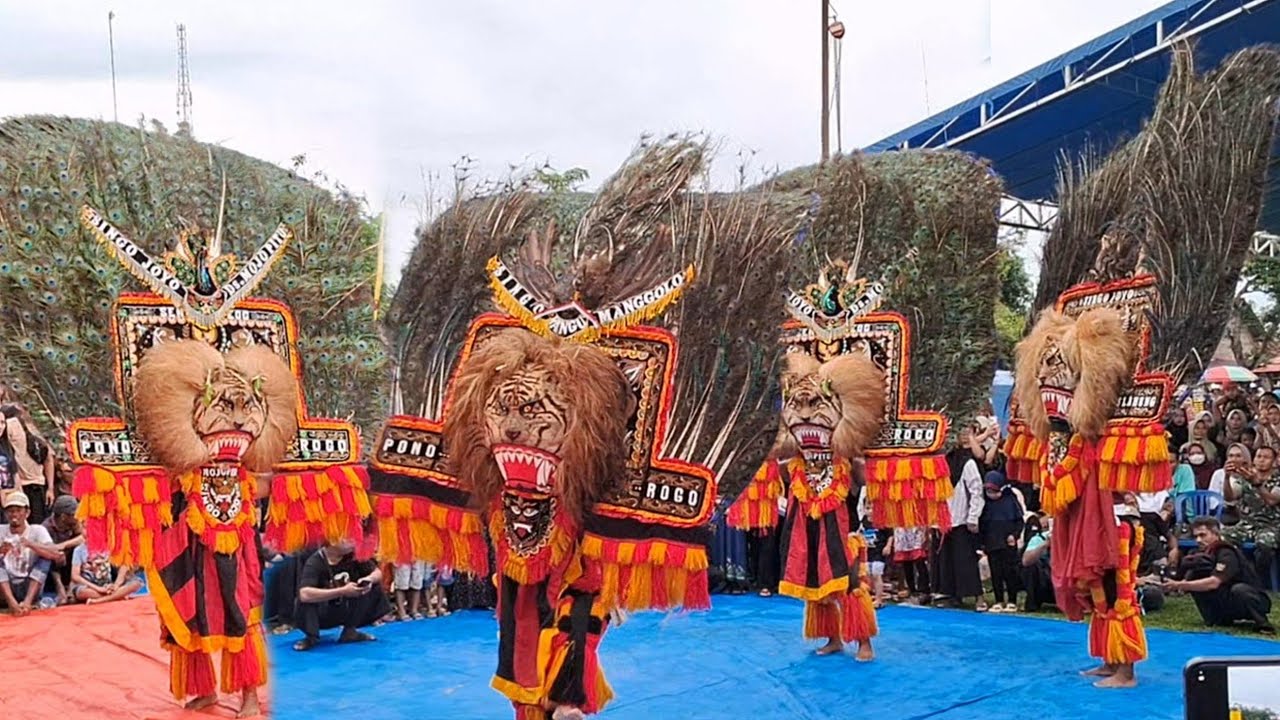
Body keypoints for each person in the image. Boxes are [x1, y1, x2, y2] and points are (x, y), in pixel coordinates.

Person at [1165, 517, 1274, 634]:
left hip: (1250, 597)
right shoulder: (1199, 554)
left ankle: (1262, 623)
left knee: (1239, 589)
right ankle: (1216, 618)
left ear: (1215, 534)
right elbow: (1185, 578)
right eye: (1195, 536)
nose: (1198, 540)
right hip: (1225, 596)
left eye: (1203, 535)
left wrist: (1180, 585)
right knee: (1196, 579)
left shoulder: (1226, 552)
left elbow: (1214, 582)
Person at [294, 539, 390, 650]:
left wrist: (369, 579)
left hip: (344, 607)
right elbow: (304, 594)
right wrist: (342, 591)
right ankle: (311, 637)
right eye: (347, 539)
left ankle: (350, 632)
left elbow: (377, 573)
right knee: (304, 600)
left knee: (373, 586)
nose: (353, 541)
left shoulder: (353, 555)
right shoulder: (315, 562)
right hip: (323, 611)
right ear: (333, 542)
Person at [933, 432, 985, 608]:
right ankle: (951, 595)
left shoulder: (967, 463)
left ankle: (979, 597)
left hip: (961, 519)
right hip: (941, 521)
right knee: (945, 561)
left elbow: (976, 490)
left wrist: (973, 517)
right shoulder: (936, 463)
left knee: (966, 561)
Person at [1223, 446, 1280, 587]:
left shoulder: (1277, 479)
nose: (1261, 460)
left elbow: (1272, 500)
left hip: (1271, 525)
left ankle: (1261, 581)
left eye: (1266, 457)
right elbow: (1230, 497)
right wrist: (1226, 477)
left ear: (1274, 462)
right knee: (1222, 537)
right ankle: (1233, 577)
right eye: (1258, 456)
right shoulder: (1245, 476)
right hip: (1247, 525)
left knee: (1265, 544)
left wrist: (1257, 484)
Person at [0, 491, 53, 615]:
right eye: (11, 511)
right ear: (6, 514)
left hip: (29, 586)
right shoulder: (1, 530)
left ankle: (27, 602)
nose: (14, 514)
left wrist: (31, 545)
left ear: (27, 513)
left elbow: (55, 554)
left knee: (45, 559)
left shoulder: (37, 530)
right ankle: (11, 602)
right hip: (6, 588)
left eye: (18, 510)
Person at [979, 472, 1024, 613]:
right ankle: (998, 600)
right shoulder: (985, 504)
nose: (991, 494)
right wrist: (982, 544)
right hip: (992, 543)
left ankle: (1012, 601)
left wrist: (1014, 535)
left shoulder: (1010, 501)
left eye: (994, 491)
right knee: (996, 573)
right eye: (988, 491)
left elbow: (1019, 521)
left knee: (1010, 572)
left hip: (1008, 543)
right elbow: (982, 525)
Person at [0, 406, 53, 524]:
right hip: (11, 494)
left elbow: (48, 458)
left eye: (2, 423)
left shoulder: (35, 442)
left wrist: (50, 488)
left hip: (30, 488)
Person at [40, 494, 84, 605]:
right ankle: (60, 589)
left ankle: (71, 586)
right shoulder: (46, 527)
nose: (77, 516)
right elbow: (46, 549)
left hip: (69, 560)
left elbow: (84, 537)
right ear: (64, 516)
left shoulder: (74, 523)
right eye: (74, 514)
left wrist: (64, 546)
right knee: (49, 558)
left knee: (80, 550)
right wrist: (57, 552)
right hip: (53, 566)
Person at [70, 542, 142, 604]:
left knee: (136, 583)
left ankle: (101, 600)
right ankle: (118, 596)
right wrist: (98, 589)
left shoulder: (111, 545)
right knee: (82, 592)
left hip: (109, 584)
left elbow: (125, 564)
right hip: (90, 587)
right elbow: (75, 576)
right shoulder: (78, 550)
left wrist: (116, 585)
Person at [1021, 513, 1054, 612]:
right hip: (1047, 580)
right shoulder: (1039, 538)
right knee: (1030, 567)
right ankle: (1033, 603)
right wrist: (1045, 545)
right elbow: (1025, 561)